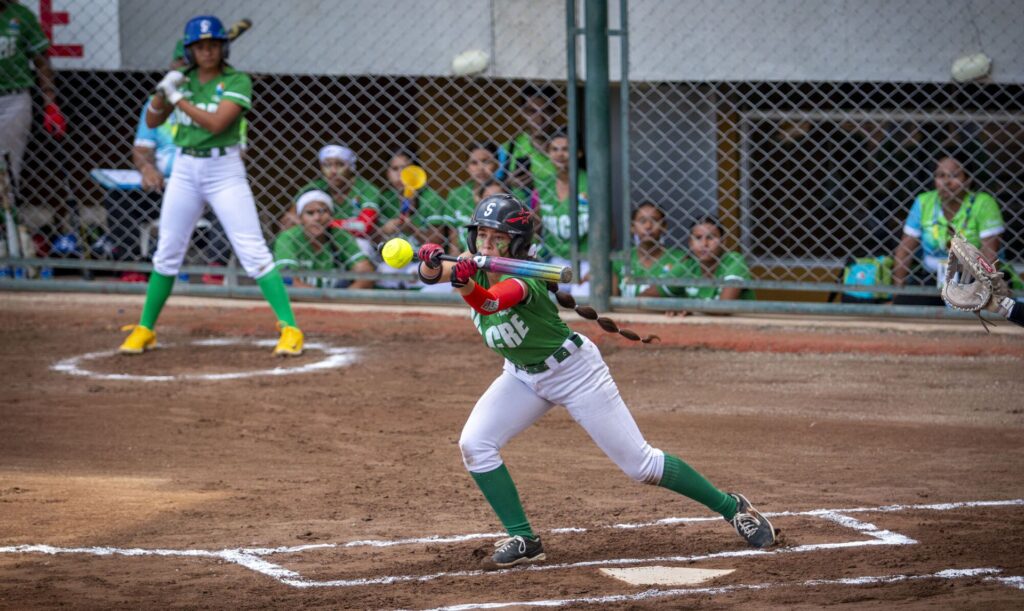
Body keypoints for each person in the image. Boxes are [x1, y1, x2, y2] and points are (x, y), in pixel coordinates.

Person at [414, 194, 777, 568]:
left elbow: (488, 303)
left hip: (574, 373)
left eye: (499, 238)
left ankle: (732, 507)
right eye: (483, 236)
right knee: (475, 444)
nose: (489, 245)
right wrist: (430, 262)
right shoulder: (472, 266)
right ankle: (524, 538)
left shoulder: (525, 278)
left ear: (517, 243)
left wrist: (462, 283)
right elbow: (431, 275)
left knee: (642, 466)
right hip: (522, 376)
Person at [118, 15, 303, 356]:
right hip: (186, 169)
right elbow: (152, 120)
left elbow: (218, 123)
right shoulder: (182, 80)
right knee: (168, 251)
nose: (207, 52)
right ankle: (145, 328)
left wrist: (176, 98)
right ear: (190, 51)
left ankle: (290, 328)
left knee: (254, 251)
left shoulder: (237, 80)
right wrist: (162, 93)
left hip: (224, 169)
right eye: (200, 47)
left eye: (213, 45)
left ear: (223, 47)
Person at [105, 40, 229, 282]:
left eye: (189, 64)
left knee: (227, 200)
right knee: (119, 198)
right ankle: (131, 264)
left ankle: (215, 267)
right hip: (162, 186)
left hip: (203, 184)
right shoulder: (158, 102)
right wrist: (147, 167)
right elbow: (141, 148)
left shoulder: (220, 98)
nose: (185, 69)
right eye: (181, 63)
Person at [892, 153, 1005, 306]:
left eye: (954, 175)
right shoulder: (924, 201)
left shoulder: (983, 203)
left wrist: (986, 292)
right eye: (941, 175)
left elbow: (990, 254)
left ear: (968, 179)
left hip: (972, 277)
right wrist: (898, 292)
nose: (946, 182)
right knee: (904, 304)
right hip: (932, 276)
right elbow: (904, 249)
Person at [0, 0, 65, 186]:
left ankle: (7, 211)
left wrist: (50, 104)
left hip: (13, 99)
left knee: (8, 166)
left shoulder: (21, 15)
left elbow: (41, 61)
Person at [273, 189, 375, 289]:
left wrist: (341, 299)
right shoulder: (288, 238)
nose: (317, 218)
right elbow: (286, 280)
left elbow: (366, 273)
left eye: (322, 211)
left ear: (331, 215)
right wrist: (322, 297)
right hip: (301, 301)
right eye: (310, 213)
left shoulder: (339, 235)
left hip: (337, 298)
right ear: (300, 218)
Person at [296, 144, 383, 259]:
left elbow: (364, 226)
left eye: (340, 164)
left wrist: (327, 224)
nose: (333, 171)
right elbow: (292, 220)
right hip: (324, 241)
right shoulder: (314, 187)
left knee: (360, 245)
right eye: (327, 165)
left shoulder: (366, 189)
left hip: (359, 242)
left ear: (351, 166)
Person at [536, 130, 589, 297]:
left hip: (587, 259)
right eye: (554, 149)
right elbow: (536, 225)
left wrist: (598, 267)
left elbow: (609, 230)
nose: (560, 154)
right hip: (556, 259)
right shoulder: (543, 186)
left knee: (583, 297)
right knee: (541, 297)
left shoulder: (590, 182)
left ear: (578, 153)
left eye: (566, 149)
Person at [611, 203, 691, 307]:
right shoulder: (620, 258)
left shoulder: (679, 258)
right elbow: (612, 301)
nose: (648, 226)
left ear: (664, 226)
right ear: (632, 227)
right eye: (642, 221)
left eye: (654, 220)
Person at [678, 217, 755, 307]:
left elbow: (724, 305)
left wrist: (684, 306)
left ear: (723, 242)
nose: (704, 244)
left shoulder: (733, 260)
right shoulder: (689, 263)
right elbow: (659, 291)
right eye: (698, 238)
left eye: (710, 238)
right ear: (690, 243)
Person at [439, 141, 500, 253]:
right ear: (467, 167)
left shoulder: (508, 195)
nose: (480, 168)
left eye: (486, 161)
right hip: (465, 259)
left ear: (497, 165)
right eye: (474, 163)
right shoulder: (456, 195)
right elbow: (454, 243)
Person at [499, 84, 560, 194]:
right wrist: (508, 183)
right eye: (532, 111)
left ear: (555, 111)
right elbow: (491, 188)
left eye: (546, 111)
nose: (540, 118)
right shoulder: (508, 149)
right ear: (523, 113)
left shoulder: (568, 147)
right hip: (520, 209)